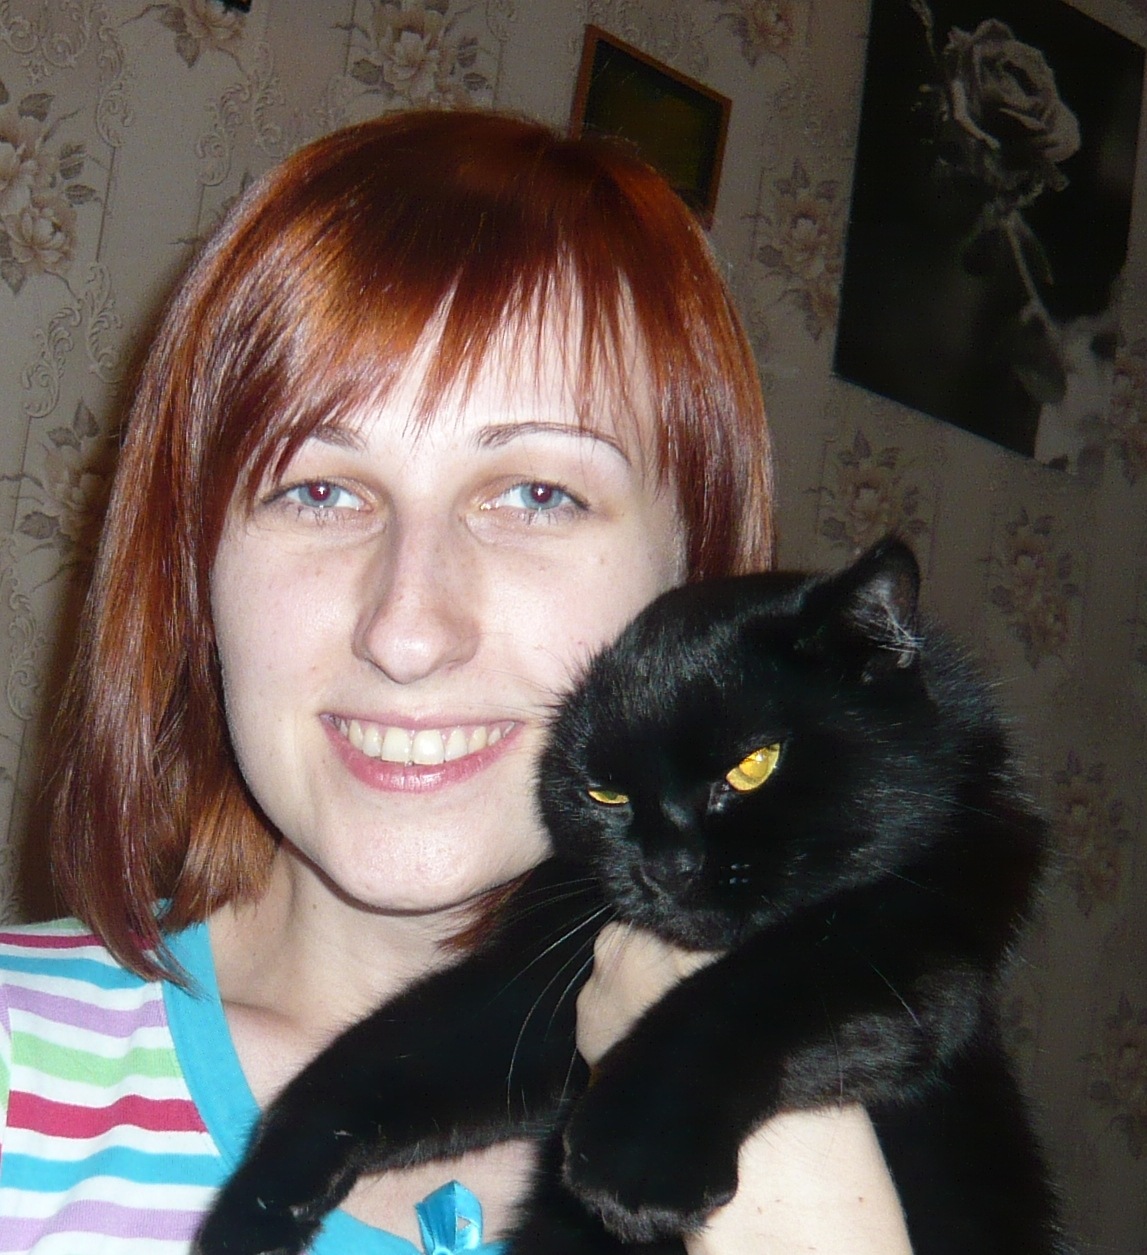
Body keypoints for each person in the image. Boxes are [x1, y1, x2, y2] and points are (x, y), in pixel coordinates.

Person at [0, 110, 912, 1254]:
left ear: (700, 575)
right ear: (195, 575)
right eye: (319, 491)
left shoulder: (882, 1174)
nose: (407, 629)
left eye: (537, 495)